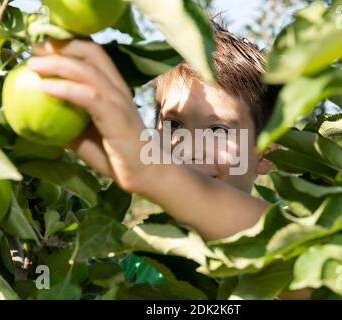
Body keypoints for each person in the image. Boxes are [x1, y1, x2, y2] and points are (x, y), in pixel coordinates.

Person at [27, 20, 281, 242]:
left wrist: (152, 172)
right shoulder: (134, 266)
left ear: (266, 152)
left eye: (217, 130)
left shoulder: (294, 244)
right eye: (174, 126)